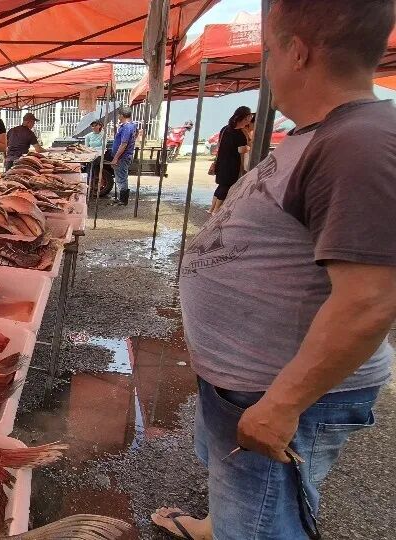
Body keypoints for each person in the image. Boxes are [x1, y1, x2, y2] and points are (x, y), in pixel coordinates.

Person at [153, 1, 396, 539]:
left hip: (279, 394)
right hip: (247, 383)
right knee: (239, 488)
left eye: (269, 53)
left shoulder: (360, 142)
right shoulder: (325, 133)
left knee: (264, 523)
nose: (266, 69)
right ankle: (217, 525)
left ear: (297, 51)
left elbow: (371, 300)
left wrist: (282, 405)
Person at [208, 106, 253, 215]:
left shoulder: (225, 129)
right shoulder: (240, 134)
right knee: (226, 187)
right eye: (250, 117)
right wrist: (250, 146)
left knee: (221, 185)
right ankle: (217, 211)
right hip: (232, 165)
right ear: (246, 118)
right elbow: (242, 150)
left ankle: (211, 209)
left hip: (221, 162)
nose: (250, 119)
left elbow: (220, 145)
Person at [108, 108, 138, 206]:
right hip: (125, 155)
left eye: (119, 115)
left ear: (121, 115)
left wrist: (116, 158)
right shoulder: (132, 125)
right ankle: (121, 198)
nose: (118, 117)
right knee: (120, 177)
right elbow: (136, 134)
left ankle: (123, 200)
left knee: (121, 178)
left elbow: (124, 144)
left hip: (123, 156)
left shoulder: (127, 127)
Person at [84, 120, 105, 186]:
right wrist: (90, 150)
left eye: (96, 125)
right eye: (92, 126)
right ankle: (88, 183)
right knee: (89, 167)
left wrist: (93, 149)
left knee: (96, 167)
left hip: (99, 155)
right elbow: (86, 147)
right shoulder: (88, 136)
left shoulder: (103, 135)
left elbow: (103, 146)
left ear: (100, 126)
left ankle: (97, 182)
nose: (94, 127)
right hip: (90, 155)